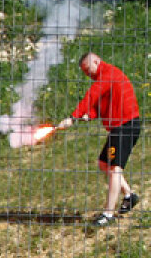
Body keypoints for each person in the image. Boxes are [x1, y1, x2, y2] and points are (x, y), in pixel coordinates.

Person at [56, 52, 141, 226]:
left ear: (96, 61)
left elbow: (92, 95)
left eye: (88, 70)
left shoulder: (108, 74)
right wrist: (91, 114)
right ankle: (129, 195)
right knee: (104, 163)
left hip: (126, 126)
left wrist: (73, 117)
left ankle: (108, 214)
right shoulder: (105, 78)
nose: (88, 74)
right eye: (85, 72)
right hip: (118, 128)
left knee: (114, 169)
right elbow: (101, 102)